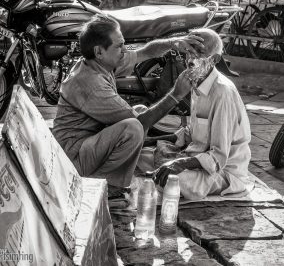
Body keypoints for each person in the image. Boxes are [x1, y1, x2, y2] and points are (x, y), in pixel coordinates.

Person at [52, 13, 203, 196]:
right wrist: (176, 94)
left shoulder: (98, 62)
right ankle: (103, 187)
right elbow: (140, 123)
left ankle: (113, 178)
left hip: (84, 145)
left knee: (138, 112)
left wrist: (175, 42)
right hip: (72, 158)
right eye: (119, 46)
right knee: (133, 128)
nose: (125, 50)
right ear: (99, 52)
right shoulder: (90, 84)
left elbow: (145, 52)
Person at [153, 28, 252, 200]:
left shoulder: (222, 92)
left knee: (170, 179)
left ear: (214, 59)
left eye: (199, 53)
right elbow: (193, 131)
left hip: (223, 172)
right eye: (189, 52)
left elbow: (219, 157)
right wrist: (151, 141)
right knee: (145, 154)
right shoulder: (196, 79)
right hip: (195, 157)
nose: (191, 59)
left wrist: (179, 163)